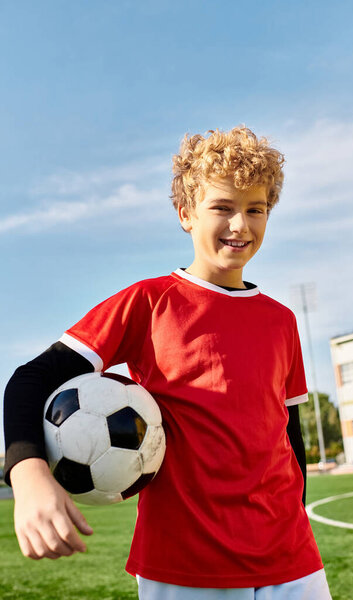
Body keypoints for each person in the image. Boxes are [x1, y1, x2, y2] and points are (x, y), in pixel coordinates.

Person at [4, 126, 332, 599]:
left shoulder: (281, 320)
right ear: (185, 214)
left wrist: (297, 517)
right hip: (186, 560)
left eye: (255, 209)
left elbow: (290, 431)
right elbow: (30, 379)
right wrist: (29, 476)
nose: (240, 224)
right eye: (222, 207)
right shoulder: (149, 303)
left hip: (291, 555)